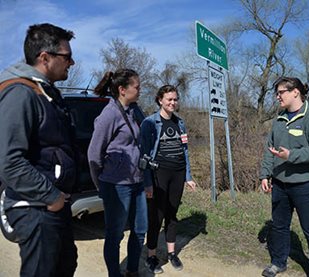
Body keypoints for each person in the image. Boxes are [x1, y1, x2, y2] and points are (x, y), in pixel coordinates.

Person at [0, 23, 78, 276]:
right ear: (45, 57)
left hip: (53, 206)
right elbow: (9, 161)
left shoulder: (47, 93)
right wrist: (51, 196)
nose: (72, 62)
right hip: (36, 209)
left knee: (65, 266)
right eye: (67, 57)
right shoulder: (20, 93)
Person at [259, 77, 309, 277]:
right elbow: (269, 150)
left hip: (306, 185)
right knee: (279, 226)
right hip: (280, 184)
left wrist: (292, 155)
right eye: (277, 92)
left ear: (295, 92)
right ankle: (278, 262)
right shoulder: (279, 119)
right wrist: (265, 174)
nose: (277, 96)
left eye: (281, 92)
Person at [87, 69, 148, 277]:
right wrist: (101, 185)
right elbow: (94, 154)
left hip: (137, 182)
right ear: (123, 90)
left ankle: (132, 270)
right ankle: (114, 274)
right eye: (137, 87)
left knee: (140, 231)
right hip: (116, 185)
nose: (140, 90)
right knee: (115, 234)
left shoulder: (133, 110)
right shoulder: (109, 114)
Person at [140, 85, 196, 274]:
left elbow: (185, 151)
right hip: (159, 174)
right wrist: (147, 182)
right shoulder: (150, 123)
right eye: (169, 99)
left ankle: (171, 253)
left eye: (175, 99)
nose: (173, 103)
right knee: (156, 216)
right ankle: (151, 256)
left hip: (178, 173)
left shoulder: (180, 123)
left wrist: (188, 176)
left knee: (172, 213)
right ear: (160, 101)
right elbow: (144, 156)